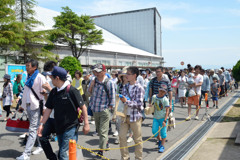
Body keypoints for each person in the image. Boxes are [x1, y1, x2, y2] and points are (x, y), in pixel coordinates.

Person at [37, 66, 90, 160]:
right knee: (64, 151)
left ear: (57, 78)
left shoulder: (72, 90)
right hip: (59, 126)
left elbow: (84, 107)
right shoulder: (54, 91)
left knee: (64, 154)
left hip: (70, 127)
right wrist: (42, 124)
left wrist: (86, 124)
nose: (50, 79)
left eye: (51, 77)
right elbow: (48, 109)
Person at [16, 59, 46, 160]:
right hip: (28, 105)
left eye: (28, 66)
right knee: (35, 127)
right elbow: (25, 93)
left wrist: (45, 108)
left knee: (32, 129)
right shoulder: (28, 78)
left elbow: (45, 94)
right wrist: (22, 106)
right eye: (26, 66)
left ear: (34, 67)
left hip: (36, 106)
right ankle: (40, 146)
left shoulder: (40, 77)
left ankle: (26, 154)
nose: (26, 68)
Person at [88, 63, 115, 158]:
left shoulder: (109, 82)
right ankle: (105, 143)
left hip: (104, 110)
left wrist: (111, 110)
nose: (96, 73)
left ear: (104, 72)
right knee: (99, 131)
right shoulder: (93, 80)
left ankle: (101, 151)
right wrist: (91, 85)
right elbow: (89, 92)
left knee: (103, 132)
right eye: (95, 71)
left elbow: (112, 97)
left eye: (98, 72)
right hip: (95, 109)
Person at [119, 66, 144, 160]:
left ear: (134, 75)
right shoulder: (125, 86)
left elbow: (139, 105)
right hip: (125, 116)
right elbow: (123, 100)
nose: (126, 76)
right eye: (126, 74)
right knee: (121, 137)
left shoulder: (139, 88)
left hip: (135, 116)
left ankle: (138, 158)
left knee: (137, 139)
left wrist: (126, 101)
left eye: (128, 74)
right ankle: (125, 157)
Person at [39, 61, 58, 160]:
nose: (48, 76)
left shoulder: (64, 80)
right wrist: (45, 95)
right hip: (51, 116)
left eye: (49, 73)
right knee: (42, 137)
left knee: (63, 143)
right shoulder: (50, 82)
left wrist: (50, 89)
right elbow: (49, 102)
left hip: (61, 118)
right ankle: (52, 158)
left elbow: (60, 97)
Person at [151, 85, 170, 153]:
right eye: (161, 90)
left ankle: (162, 145)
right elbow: (152, 105)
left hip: (163, 118)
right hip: (155, 117)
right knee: (154, 132)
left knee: (163, 133)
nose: (162, 92)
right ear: (158, 89)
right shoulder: (154, 97)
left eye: (163, 91)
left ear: (165, 92)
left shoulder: (165, 99)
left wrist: (165, 120)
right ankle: (160, 140)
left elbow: (167, 110)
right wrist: (149, 108)